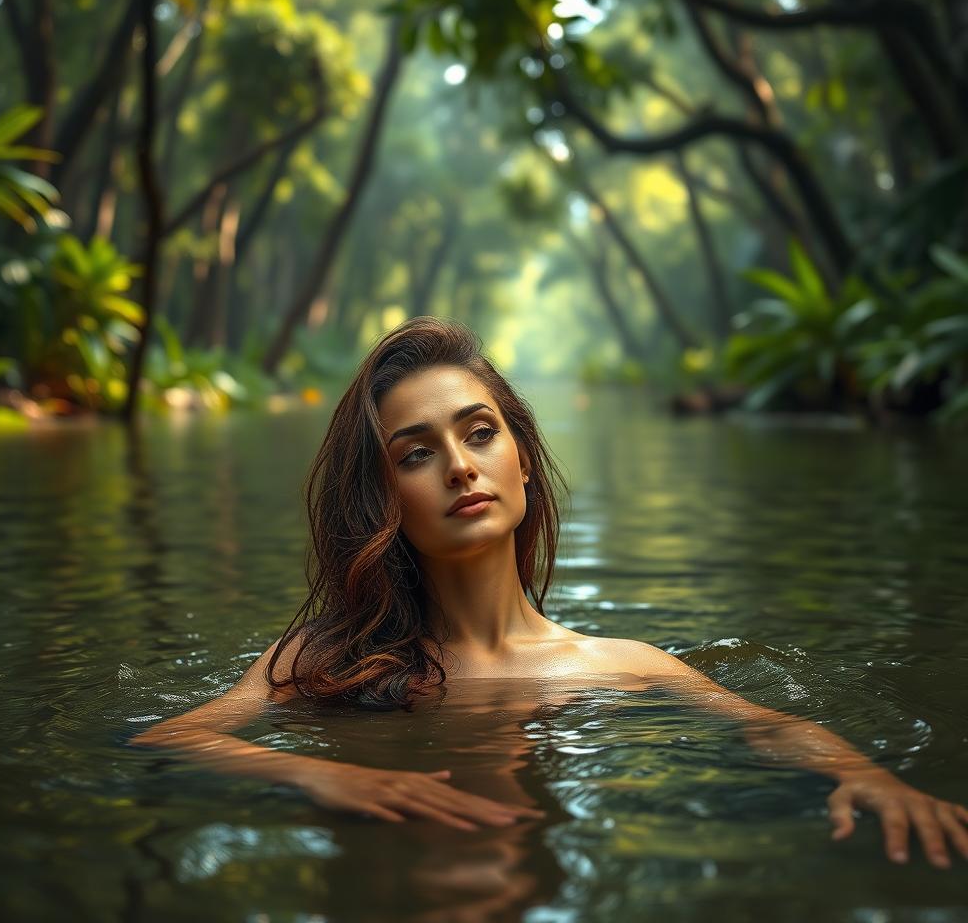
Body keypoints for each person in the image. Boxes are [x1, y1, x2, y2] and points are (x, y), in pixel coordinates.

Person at [131, 316, 968, 870]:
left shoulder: (622, 665)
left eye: (479, 432)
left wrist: (868, 775)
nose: (459, 464)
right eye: (415, 453)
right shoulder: (327, 659)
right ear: (382, 497)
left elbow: (769, 725)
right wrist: (319, 779)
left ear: (520, 460)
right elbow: (171, 738)